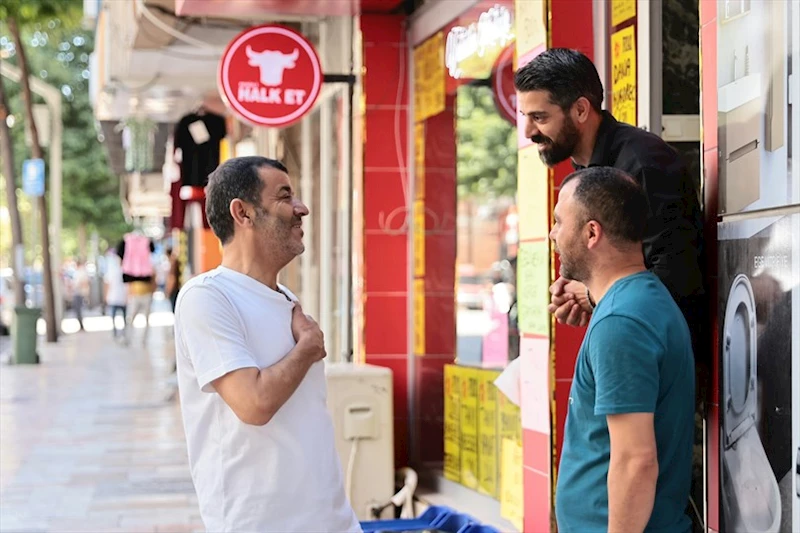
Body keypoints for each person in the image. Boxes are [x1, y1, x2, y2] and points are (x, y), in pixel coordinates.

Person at [173, 156, 360, 533]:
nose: (301, 209)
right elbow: (253, 403)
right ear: (242, 213)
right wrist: (307, 349)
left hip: (330, 520)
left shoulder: (285, 298)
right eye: (285, 197)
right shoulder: (206, 297)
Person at [514, 48, 705, 362]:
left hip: (660, 362)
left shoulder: (644, 163)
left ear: (580, 110)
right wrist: (583, 290)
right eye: (525, 116)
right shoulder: (589, 167)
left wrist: (593, 295)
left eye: (540, 117)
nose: (529, 132)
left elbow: (677, 278)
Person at [550, 166, 695, 532]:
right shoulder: (638, 300)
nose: (553, 234)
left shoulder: (621, 322)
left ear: (591, 233)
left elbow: (635, 461)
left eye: (559, 222)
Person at [104, 247, 128, 342]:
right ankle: (120, 333)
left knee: (120, 317)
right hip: (116, 297)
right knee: (118, 317)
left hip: (120, 298)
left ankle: (120, 333)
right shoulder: (114, 271)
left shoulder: (123, 271)